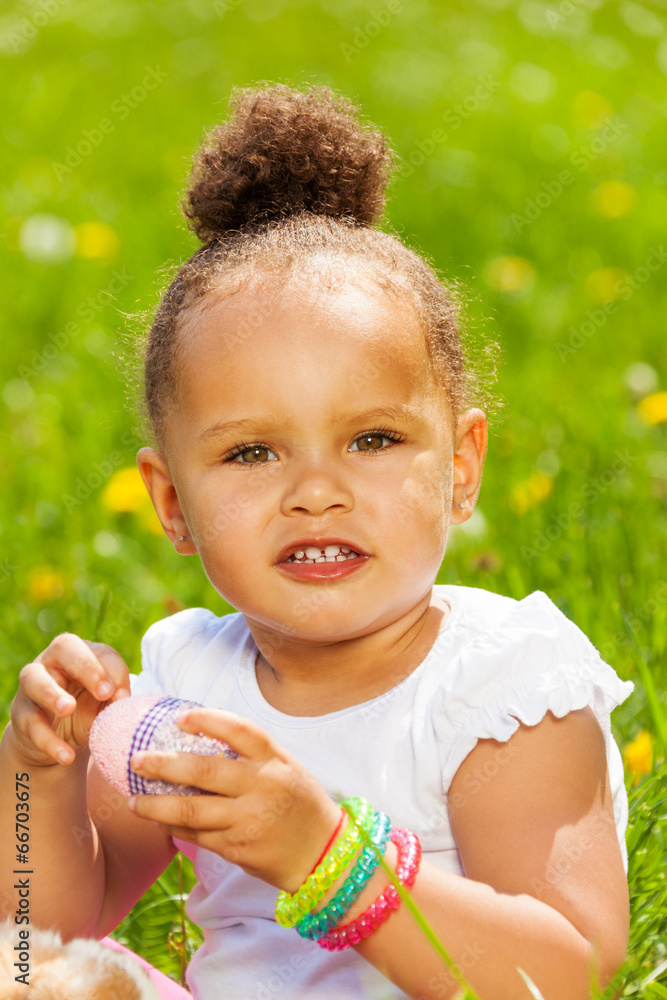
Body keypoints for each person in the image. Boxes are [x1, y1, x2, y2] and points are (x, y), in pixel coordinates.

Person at [0, 84, 634, 1000]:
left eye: (372, 439)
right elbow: (44, 931)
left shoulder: (500, 690)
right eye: (251, 452)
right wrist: (37, 777)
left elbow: (566, 969)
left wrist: (325, 855)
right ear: (170, 502)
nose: (315, 493)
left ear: (460, 467)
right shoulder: (185, 678)